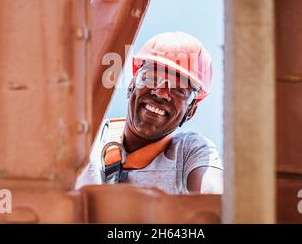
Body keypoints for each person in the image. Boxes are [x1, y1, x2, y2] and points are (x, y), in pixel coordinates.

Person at [76, 31, 223, 194]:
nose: (161, 92)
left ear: (190, 111)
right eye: (152, 78)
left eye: (179, 89)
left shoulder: (189, 152)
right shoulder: (86, 139)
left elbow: (216, 200)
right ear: (131, 86)